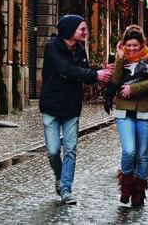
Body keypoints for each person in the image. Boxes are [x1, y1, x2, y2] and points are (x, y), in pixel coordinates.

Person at [39, 14, 112, 205]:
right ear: (70, 30)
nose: (85, 32)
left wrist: (100, 72)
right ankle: (59, 175)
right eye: (82, 28)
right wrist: (94, 74)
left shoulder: (80, 50)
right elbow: (66, 70)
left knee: (70, 150)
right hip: (51, 106)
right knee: (53, 151)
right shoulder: (52, 47)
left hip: (71, 107)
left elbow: (84, 73)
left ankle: (66, 190)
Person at [111, 25, 148, 207]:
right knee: (129, 150)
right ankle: (126, 186)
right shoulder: (121, 57)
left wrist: (133, 88)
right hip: (124, 111)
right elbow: (115, 81)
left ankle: (139, 192)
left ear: (142, 44)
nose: (132, 48)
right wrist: (119, 60)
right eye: (129, 45)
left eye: (135, 45)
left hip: (146, 111)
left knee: (142, 155)